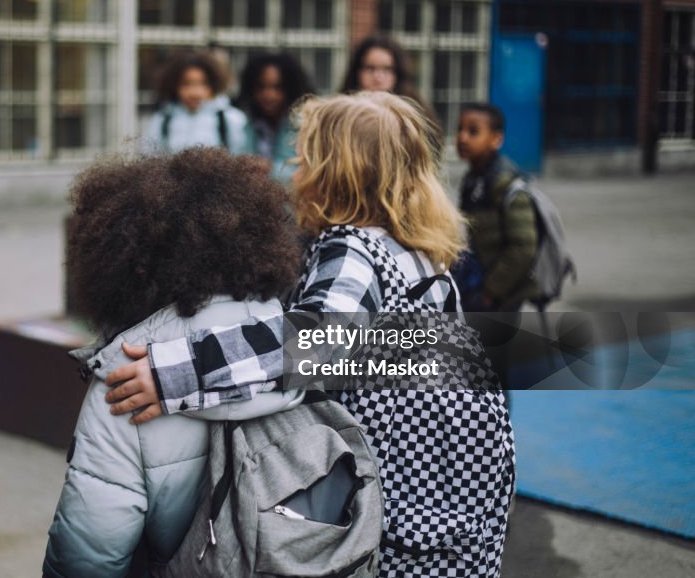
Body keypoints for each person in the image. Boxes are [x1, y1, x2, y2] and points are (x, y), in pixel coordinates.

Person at [105, 93, 516, 577]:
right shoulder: (423, 256)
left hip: (385, 511)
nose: (292, 174)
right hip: (440, 510)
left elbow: (307, 346)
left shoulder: (353, 253)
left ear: (334, 174)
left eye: (301, 161)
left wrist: (176, 372)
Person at [43, 148, 304, 578]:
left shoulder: (128, 380)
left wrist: (174, 375)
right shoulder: (289, 331)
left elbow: (86, 556)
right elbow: (424, 349)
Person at [454, 103, 540, 312]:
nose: (463, 138)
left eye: (473, 131)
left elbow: (524, 247)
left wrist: (490, 292)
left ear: (496, 139)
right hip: (477, 280)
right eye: (460, 129)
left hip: (500, 295)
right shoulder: (473, 178)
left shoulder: (506, 183)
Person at [340, 33, 444, 158]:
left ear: (398, 73)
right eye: (370, 68)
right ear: (357, 71)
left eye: (387, 69)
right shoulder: (341, 114)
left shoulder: (414, 115)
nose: (378, 77)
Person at [143, 49, 250, 154]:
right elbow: (150, 156)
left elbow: (240, 156)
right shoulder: (162, 120)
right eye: (186, 84)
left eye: (203, 84)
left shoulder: (231, 119)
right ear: (174, 86)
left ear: (214, 85)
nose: (194, 92)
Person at [236, 52, 316, 181]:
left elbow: (308, 173)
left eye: (277, 87)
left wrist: (268, 169)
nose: (269, 95)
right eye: (261, 87)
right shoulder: (244, 122)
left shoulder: (305, 124)